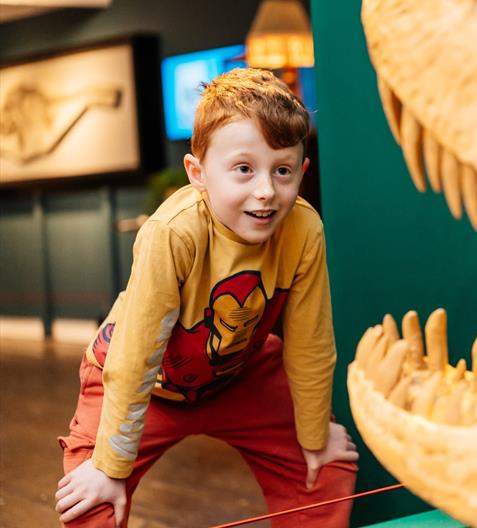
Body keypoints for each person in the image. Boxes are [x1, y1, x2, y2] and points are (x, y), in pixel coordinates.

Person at [53, 68, 358, 527]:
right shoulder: (172, 233)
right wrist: (109, 468)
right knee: (90, 499)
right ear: (198, 173)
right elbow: (136, 355)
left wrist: (316, 437)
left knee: (327, 468)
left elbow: (310, 342)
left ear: (302, 171)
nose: (265, 191)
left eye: (282, 171)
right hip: (143, 380)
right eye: (243, 169)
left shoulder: (304, 228)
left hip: (238, 372)